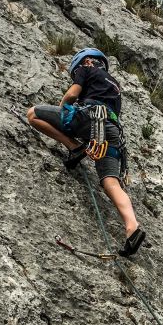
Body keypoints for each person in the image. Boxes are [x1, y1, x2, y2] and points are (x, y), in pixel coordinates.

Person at [27, 48, 146, 257]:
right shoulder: (114, 85)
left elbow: (73, 94)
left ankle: (74, 147)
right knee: (111, 182)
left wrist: (63, 109)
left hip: (90, 121)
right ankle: (132, 227)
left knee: (33, 114)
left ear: (88, 61)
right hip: (112, 133)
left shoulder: (86, 68)